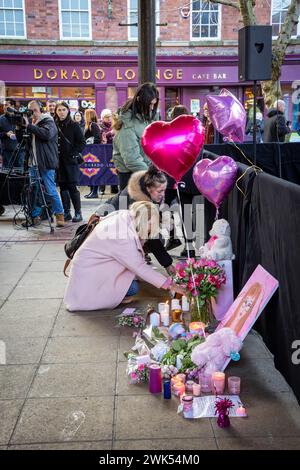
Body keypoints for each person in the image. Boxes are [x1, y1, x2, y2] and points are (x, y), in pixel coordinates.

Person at [64, 201, 185, 312]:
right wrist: (172, 286)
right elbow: (140, 267)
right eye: (152, 224)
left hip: (90, 268)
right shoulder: (122, 236)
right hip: (90, 278)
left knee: (133, 280)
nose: (153, 229)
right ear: (144, 220)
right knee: (133, 288)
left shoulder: (126, 215)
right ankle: (104, 297)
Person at [95, 165, 174, 272]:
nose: (163, 194)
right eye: (160, 191)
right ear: (149, 188)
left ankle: (133, 258)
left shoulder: (142, 185)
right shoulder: (137, 199)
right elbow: (150, 236)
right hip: (106, 237)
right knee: (132, 287)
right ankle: (122, 262)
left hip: (114, 228)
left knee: (156, 236)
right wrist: (168, 265)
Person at [20, 99, 65, 227]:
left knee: (50, 190)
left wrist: (29, 126)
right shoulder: (32, 123)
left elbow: (46, 135)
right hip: (33, 162)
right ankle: (34, 216)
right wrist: (21, 128)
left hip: (45, 162)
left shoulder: (48, 120)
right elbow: (23, 142)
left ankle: (60, 214)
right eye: (30, 110)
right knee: (33, 191)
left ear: (41, 109)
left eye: (34, 110)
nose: (32, 113)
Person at [113, 82, 159, 190]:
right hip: (130, 175)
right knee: (128, 205)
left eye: (154, 104)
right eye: (150, 104)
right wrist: (150, 176)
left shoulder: (146, 119)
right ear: (139, 100)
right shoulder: (127, 124)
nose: (152, 108)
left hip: (144, 171)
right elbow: (131, 158)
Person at [55, 101, 86, 223]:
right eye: (59, 110)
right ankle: (66, 212)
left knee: (72, 187)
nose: (61, 112)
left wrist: (73, 153)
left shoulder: (74, 125)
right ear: (56, 112)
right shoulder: (54, 124)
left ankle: (78, 213)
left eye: (63, 109)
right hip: (59, 161)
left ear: (68, 111)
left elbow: (82, 142)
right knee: (62, 187)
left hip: (71, 161)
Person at [98, 108, 118, 195]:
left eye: (109, 116)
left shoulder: (114, 125)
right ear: (103, 118)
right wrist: (109, 134)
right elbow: (101, 137)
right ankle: (102, 188)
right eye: (106, 117)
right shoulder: (100, 126)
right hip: (103, 151)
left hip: (114, 149)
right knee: (103, 168)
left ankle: (114, 187)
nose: (109, 118)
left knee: (114, 168)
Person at [0, 99, 23, 169]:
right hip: (6, 151)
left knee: (19, 172)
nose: (4, 107)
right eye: (3, 105)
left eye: (6, 105)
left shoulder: (20, 117)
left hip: (20, 151)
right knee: (6, 172)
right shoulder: (1, 119)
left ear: (12, 106)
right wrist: (6, 134)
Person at [84, 109, 101, 199]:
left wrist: (90, 144)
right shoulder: (90, 125)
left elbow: (97, 138)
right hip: (90, 152)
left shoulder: (93, 125)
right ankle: (92, 191)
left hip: (93, 151)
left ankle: (94, 192)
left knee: (94, 172)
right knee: (91, 172)